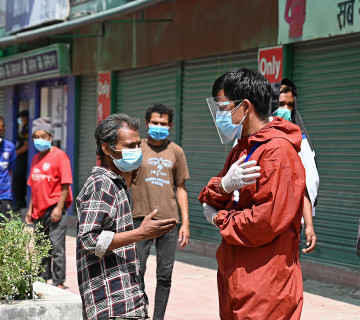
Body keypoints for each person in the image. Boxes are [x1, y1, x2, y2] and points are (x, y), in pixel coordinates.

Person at [198, 67, 306, 319]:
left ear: (245, 106)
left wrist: (219, 219)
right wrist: (223, 187)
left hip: (264, 281)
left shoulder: (277, 151)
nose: (219, 117)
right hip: (235, 272)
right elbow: (213, 194)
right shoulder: (244, 147)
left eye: (223, 109)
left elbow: (266, 220)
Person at [76, 113, 177, 320]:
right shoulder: (100, 184)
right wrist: (141, 234)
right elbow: (87, 241)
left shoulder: (117, 183)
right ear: (106, 148)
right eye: (130, 146)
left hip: (124, 302)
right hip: (111, 305)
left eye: (138, 145)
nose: (136, 151)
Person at [126, 104, 190, 320]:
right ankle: (138, 313)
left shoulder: (177, 151)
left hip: (169, 222)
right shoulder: (137, 148)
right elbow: (125, 181)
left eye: (163, 124)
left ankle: (158, 317)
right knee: (137, 271)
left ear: (170, 125)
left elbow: (181, 188)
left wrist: (185, 223)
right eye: (155, 122)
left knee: (164, 276)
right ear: (147, 124)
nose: (159, 126)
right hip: (139, 221)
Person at [271, 78, 319, 253]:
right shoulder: (255, 137)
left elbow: (303, 184)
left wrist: (309, 225)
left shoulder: (299, 140)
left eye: (290, 105)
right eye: (281, 104)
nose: (286, 110)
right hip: (262, 223)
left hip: (290, 225)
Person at [25, 117, 73, 289]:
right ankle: (42, 278)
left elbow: (66, 183)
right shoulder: (36, 158)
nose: (40, 139)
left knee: (56, 247)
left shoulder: (60, 156)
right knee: (41, 246)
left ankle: (59, 281)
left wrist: (59, 207)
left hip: (54, 208)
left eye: (44, 135)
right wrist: (30, 209)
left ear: (51, 136)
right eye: (36, 136)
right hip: (38, 209)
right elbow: (34, 185)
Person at [0, 116, 17, 223]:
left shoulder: (10, 147)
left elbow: (11, 170)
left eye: (0, 129)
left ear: (4, 129)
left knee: (4, 228)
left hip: (4, 195)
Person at [12, 110, 29, 211]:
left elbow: (26, 146)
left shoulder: (27, 129)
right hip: (20, 158)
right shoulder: (23, 128)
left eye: (22, 118)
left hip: (23, 158)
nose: (21, 120)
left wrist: (16, 152)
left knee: (18, 179)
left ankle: (20, 202)